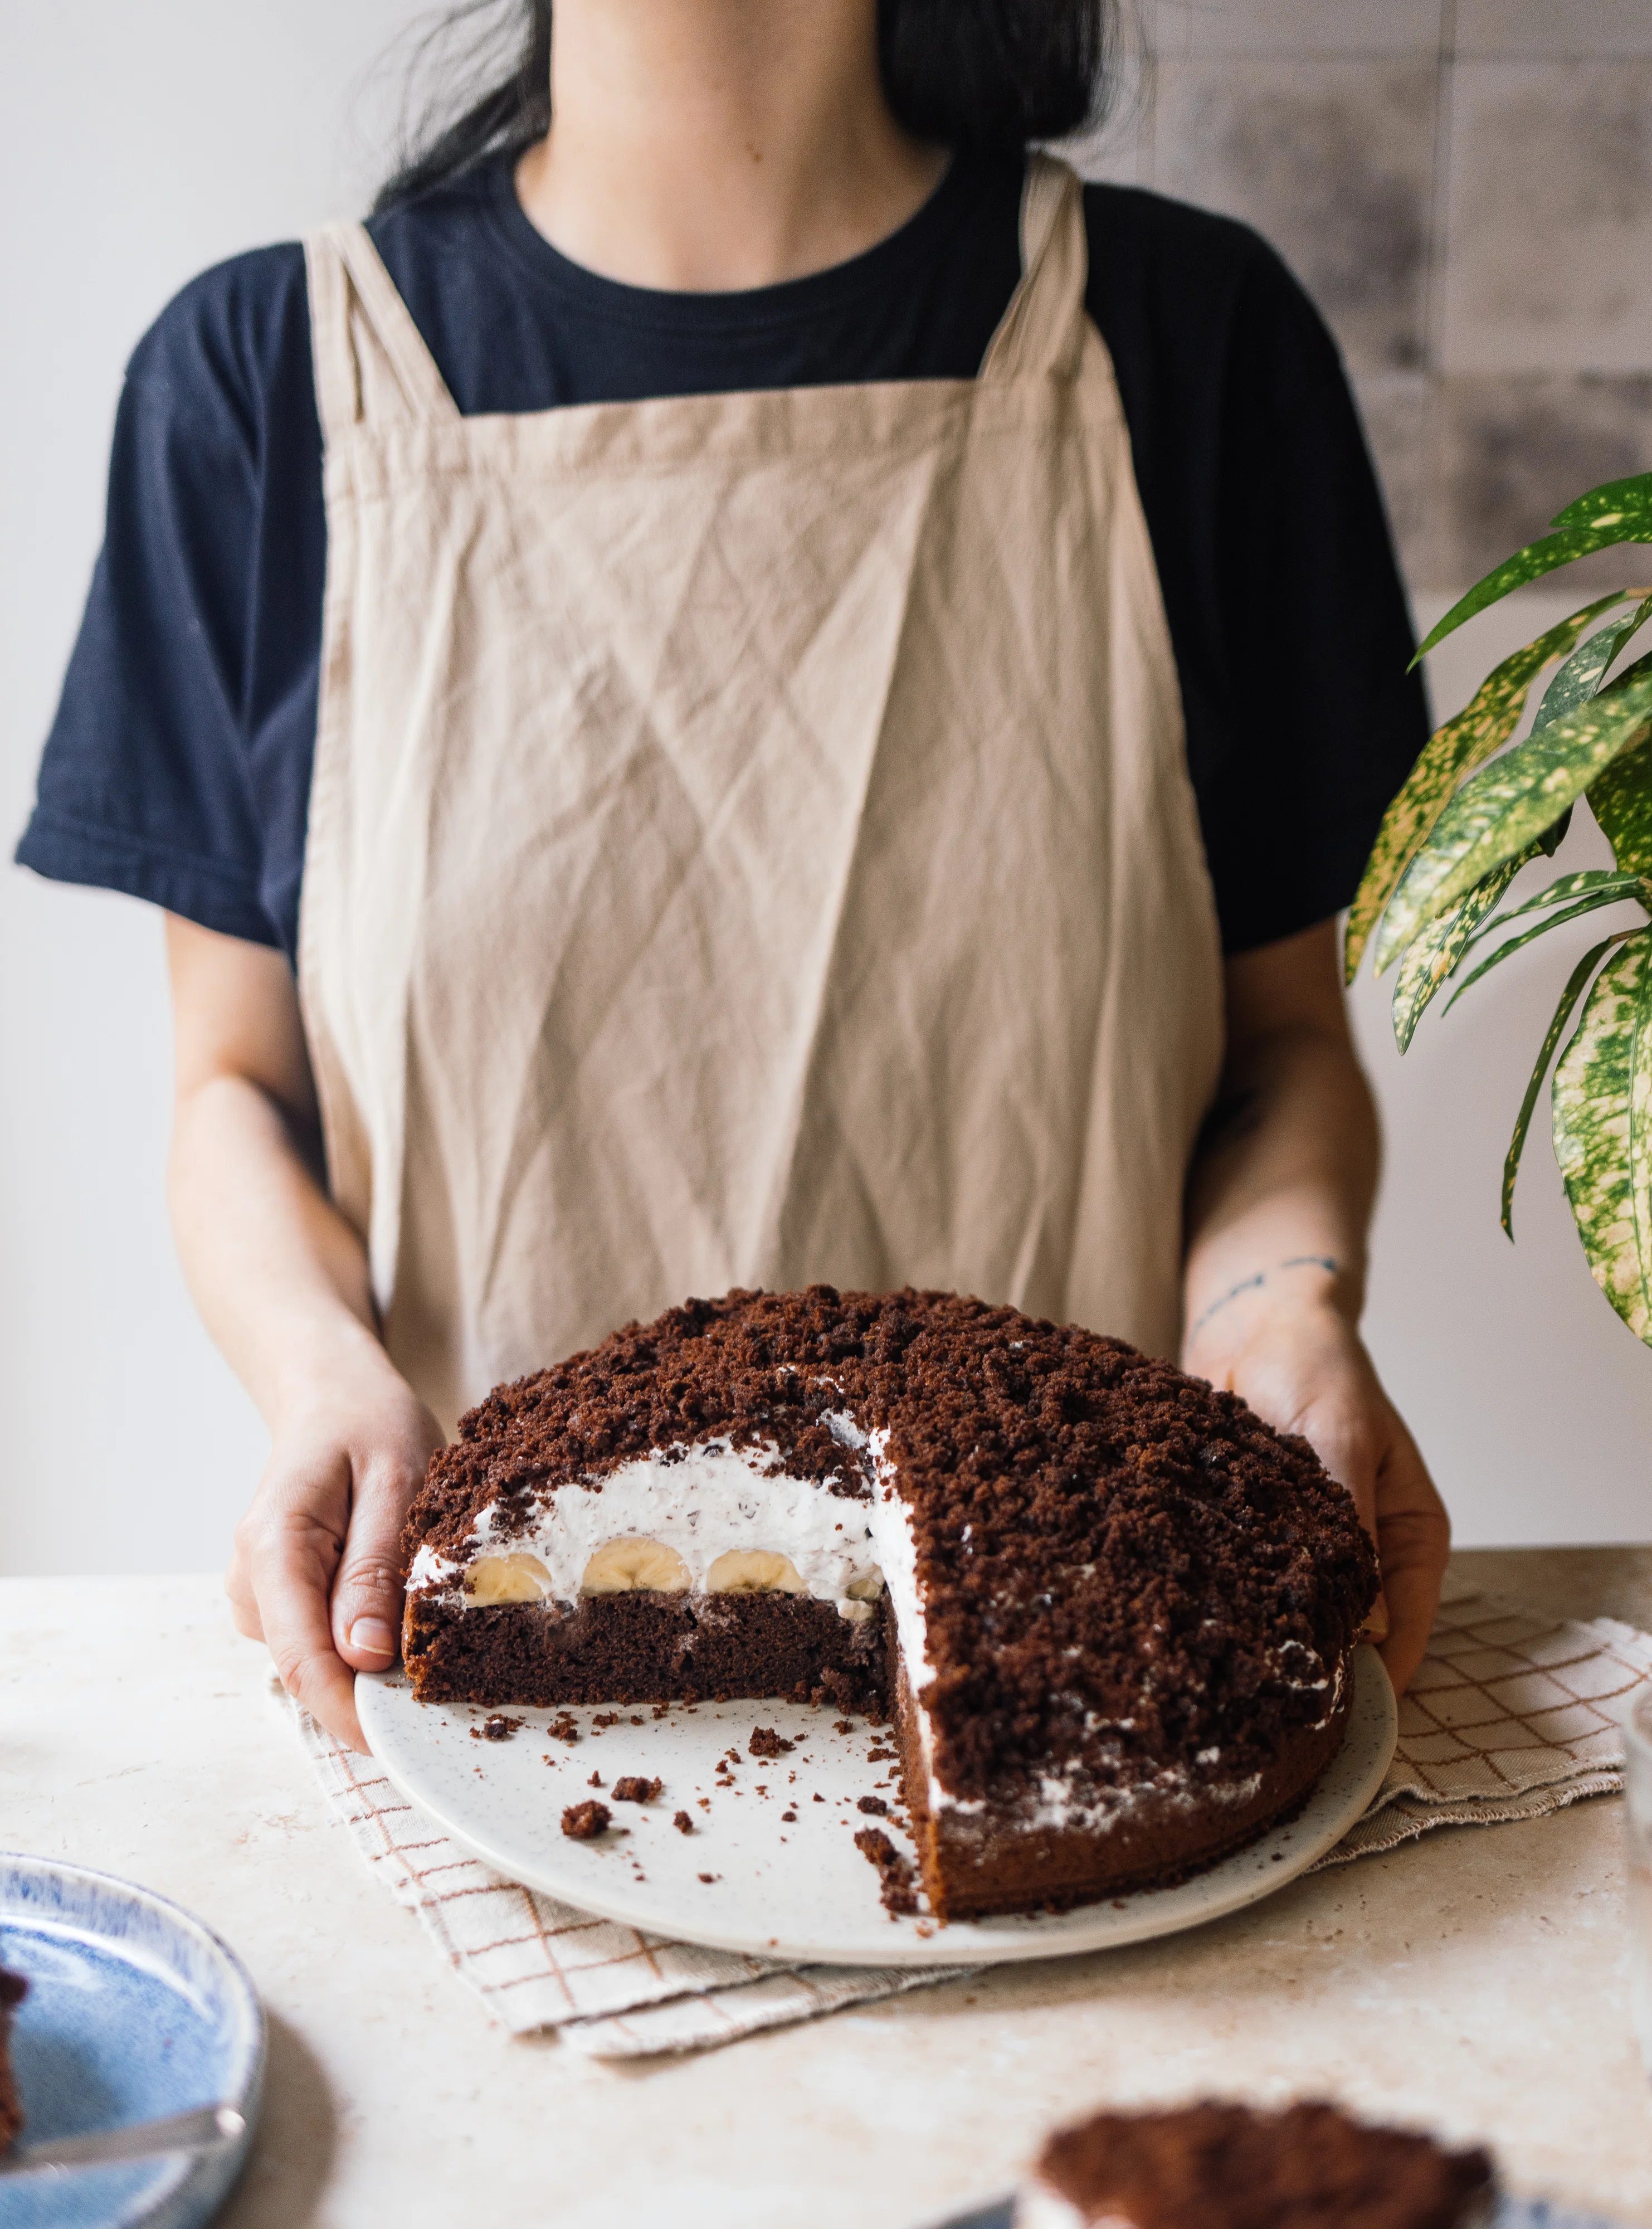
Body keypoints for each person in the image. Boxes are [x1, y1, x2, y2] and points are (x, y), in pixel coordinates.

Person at [18, 0, 1450, 1753]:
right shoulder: (266, 377)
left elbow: (1282, 1050)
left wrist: (1272, 1311)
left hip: (1070, 1686)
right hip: (510, 1670)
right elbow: (235, 1087)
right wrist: (321, 1380)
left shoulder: (1184, 338)